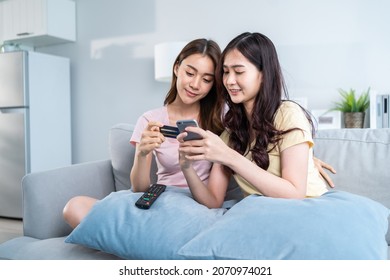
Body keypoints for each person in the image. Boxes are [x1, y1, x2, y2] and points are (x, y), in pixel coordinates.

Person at [63, 36, 335, 228]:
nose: (196, 84)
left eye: (207, 79)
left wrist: (305, 159)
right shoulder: (224, 129)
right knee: (74, 207)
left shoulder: (230, 121)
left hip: (199, 207)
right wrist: (151, 157)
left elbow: (287, 176)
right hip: (161, 196)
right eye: (190, 72)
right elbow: (142, 189)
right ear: (176, 68)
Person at [177, 32, 333, 209]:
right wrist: (186, 167)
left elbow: (295, 194)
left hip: (310, 208)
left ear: (264, 74)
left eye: (239, 71)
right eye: (226, 72)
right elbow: (213, 201)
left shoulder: (288, 114)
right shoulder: (230, 134)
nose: (229, 80)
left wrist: (230, 157)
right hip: (264, 214)